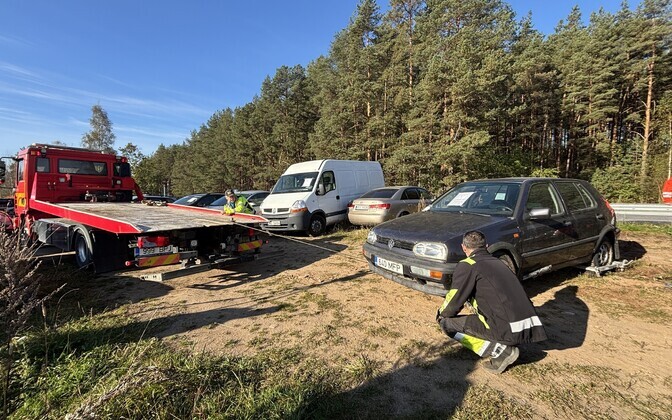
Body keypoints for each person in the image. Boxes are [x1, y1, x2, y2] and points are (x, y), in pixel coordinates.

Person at [436, 230, 547, 373]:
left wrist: (442, 314)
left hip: (507, 329)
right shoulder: (499, 263)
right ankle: (509, 342)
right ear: (486, 246)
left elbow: (455, 299)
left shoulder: (468, 265)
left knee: (446, 324)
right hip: (529, 329)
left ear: (463, 247)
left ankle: (501, 350)